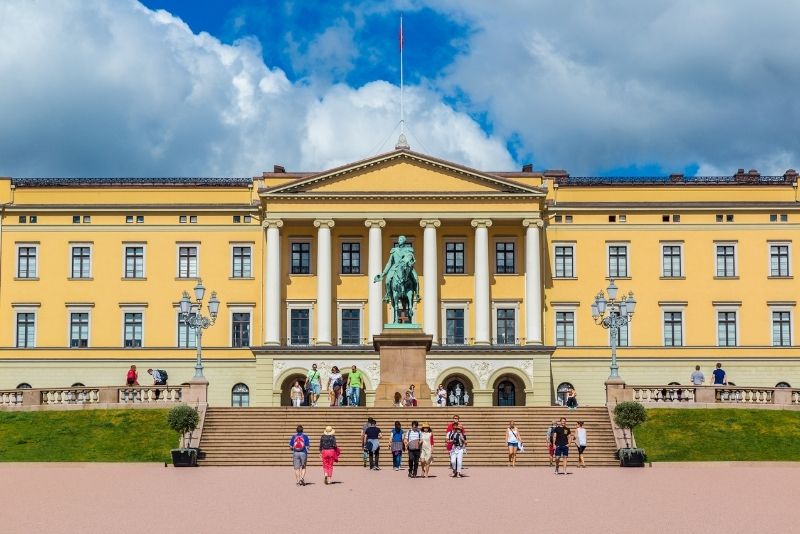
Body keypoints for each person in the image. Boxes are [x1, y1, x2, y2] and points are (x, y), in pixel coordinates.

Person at [374, 235, 420, 303]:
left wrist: (410, 263)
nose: (399, 241)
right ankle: (387, 294)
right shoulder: (394, 251)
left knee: (416, 278)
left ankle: (417, 294)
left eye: (400, 240)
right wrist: (383, 273)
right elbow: (389, 263)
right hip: (395, 268)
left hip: (406, 267)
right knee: (387, 280)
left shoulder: (408, 250)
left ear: (404, 241)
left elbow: (411, 259)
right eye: (398, 240)